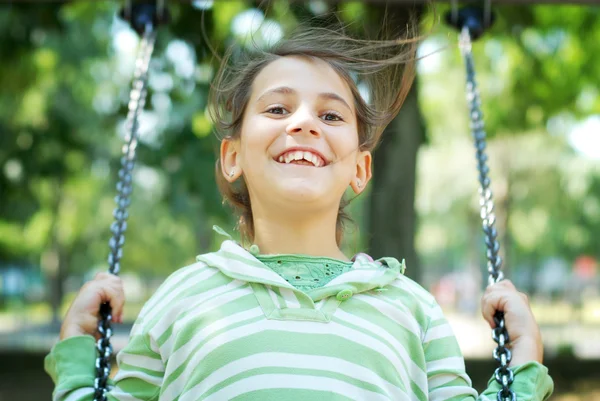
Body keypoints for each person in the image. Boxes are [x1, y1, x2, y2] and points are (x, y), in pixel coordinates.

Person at [45, 16, 553, 401]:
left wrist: (523, 358)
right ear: (232, 156)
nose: (305, 122)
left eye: (331, 114)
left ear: (360, 168)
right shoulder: (182, 297)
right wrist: (77, 354)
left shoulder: (412, 308)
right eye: (277, 108)